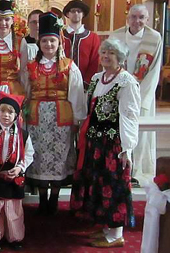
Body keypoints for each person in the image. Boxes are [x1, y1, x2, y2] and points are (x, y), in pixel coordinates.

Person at [71, 39, 140, 248]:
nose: (106, 56)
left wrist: (127, 148)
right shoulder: (97, 78)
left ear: (120, 57)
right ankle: (106, 228)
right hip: (95, 142)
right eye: (104, 52)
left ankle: (116, 234)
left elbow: (130, 115)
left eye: (111, 53)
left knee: (115, 185)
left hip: (113, 145)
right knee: (99, 186)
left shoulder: (126, 82)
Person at [23, 12, 87, 215]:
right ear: (39, 43)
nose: (49, 45)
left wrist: (77, 118)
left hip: (61, 118)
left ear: (59, 42)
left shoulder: (69, 66)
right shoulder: (31, 67)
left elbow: (76, 93)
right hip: (37, 118)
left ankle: (55, 198)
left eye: (52, 40)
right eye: (45, 41)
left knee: (60, 155)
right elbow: (25, 91)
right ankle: (42, 198)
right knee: (40, 155)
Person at [109, 4, 162, 186]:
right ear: (127, 18)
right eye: (133, 17)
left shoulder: (154, 38)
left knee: (139, 134)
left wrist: (139, 97)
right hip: (119, 93)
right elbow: (107, 64)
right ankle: (118, 168)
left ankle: (138, 172)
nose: (137, 21)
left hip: (142, 94)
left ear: (147, 20)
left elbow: (154, 71)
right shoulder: (115, 36)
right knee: (119, 131)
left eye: (141, 17)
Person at [0, 95, 34, 252]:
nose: (6, 115)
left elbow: (30, 154)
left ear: (16, 115)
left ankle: (15, 237)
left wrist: (19, 168)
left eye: (10, 112)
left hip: (13, 176)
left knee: (14, 210)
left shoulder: (23, 135)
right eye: (2, 111)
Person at [63, 0, 100, 88]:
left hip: (84, 84)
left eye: (79, 11)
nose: (76, 13)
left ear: (83, 14)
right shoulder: (60, 35)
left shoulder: (92, 37)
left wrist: (86, 82)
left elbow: (95, 61)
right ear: (68, 14)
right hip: (62, 83)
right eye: (73, 11)